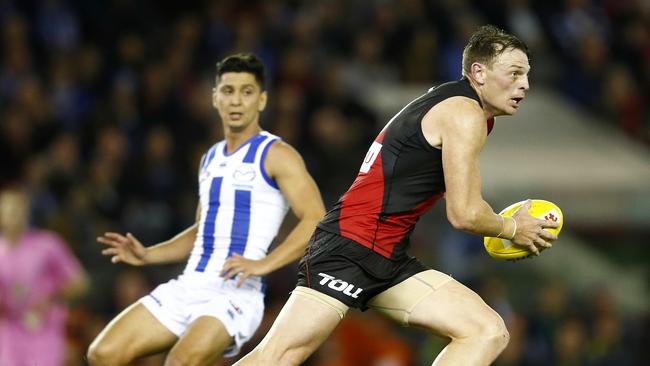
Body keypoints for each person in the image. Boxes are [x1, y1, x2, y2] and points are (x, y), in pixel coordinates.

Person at [233, 25, 560, 366]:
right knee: (276, 358)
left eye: (527, 74)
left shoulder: (456, 106)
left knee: (487, 330)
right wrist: (511, 228)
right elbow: (463, 213)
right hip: (351, 246)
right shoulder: (464, 113)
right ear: (478, 72)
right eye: (515, 73)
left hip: (387, 255)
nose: (524, 83)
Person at [86, 53, 325, 365]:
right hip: (189, 286)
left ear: (262, 100)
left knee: (180, 363)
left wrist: (266, 263)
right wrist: (148, 254)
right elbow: (202, 231)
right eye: (228, 91)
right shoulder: (211, 158)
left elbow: (316, 217)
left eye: (247, 91)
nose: (236, 100)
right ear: (215, 98)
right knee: (102, 354)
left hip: (235, 294)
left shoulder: (277, 154)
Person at [0, 185, 89, 366]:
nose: (13, 216)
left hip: (45, 331)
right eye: (8, 210)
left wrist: (50, 297)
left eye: (17, 210)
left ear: (26, 212)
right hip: (8, 332)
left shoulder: (48, 244)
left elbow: (80, 283)